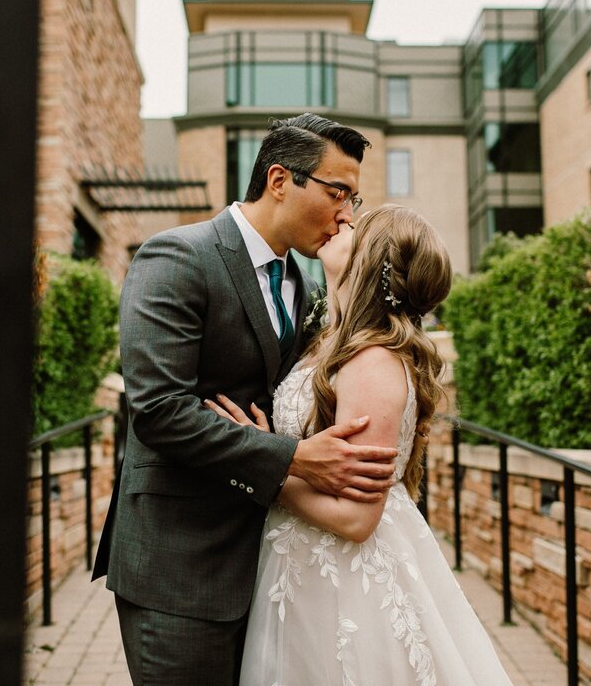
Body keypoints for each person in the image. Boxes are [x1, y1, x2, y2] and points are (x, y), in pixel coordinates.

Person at [92, 113, 400, 686]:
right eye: (339, 193)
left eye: (354, 199)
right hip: (179, 567)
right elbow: (159, 410)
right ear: (280, 180)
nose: (347, 216)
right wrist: (294, 457)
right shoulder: (177, 258)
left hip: (269, 570)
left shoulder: (302, 282)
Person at [209, 205, 514, 686]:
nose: (341, 220)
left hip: (345, 584)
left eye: (357, 224)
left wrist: (262, 464)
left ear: (370, 259)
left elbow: (356, 519)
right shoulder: (336, 341)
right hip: (303, 565)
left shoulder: (372, 362)